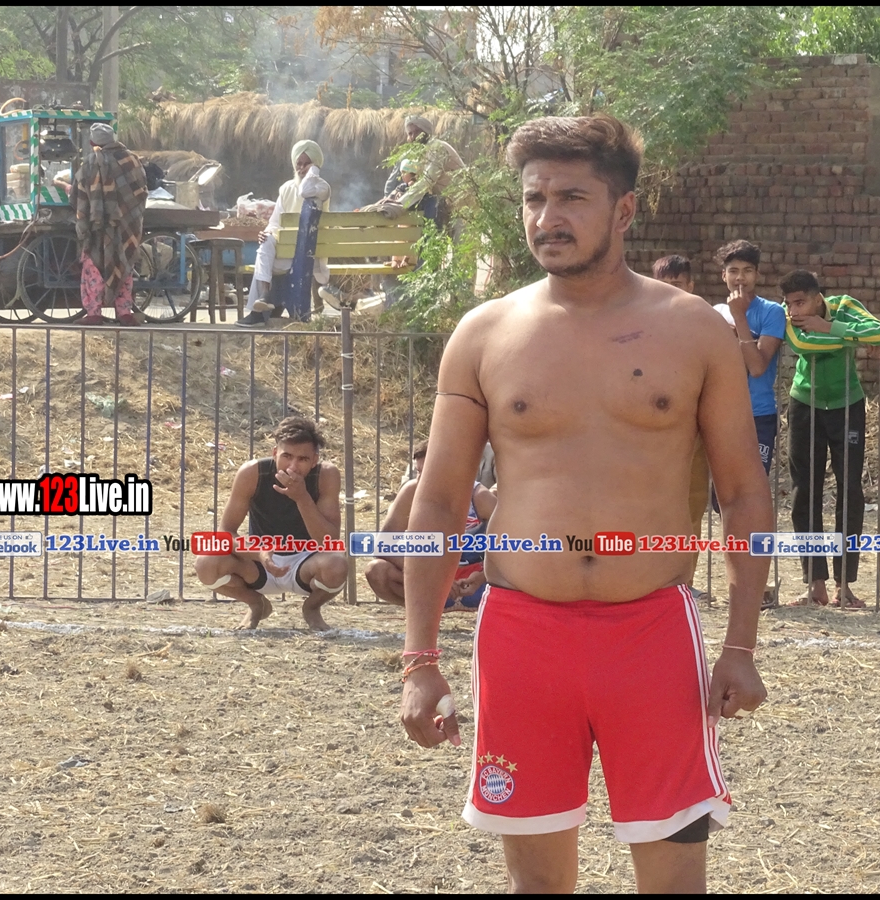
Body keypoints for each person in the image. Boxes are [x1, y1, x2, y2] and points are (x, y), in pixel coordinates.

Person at [399, 114, 772, 894]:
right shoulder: (483, 334)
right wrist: (420, 660)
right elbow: (437, 502)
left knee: (674, 883)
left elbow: (742, 492)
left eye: (571, 197)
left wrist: (741, 643)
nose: (548, 217)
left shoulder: (693, 331)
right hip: (522, 634)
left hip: (652, 634)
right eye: (534, 198)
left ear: (624, 209)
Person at [781, 270, 880, 609]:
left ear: (818, 299)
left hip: (847, 404)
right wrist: (851, 338)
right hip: (805, 404)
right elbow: (802, 344)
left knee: (850, 491)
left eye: (800, 303)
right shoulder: (788, 318)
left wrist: (830, 327)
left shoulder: (844, 306)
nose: (794, 311)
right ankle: (816, 584)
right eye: (789, 304)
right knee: (805, 492)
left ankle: (845, 585)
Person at [194, 416, 346, 631]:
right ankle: (256, 604)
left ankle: (311, 608)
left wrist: (302, 497)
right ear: (275, 453)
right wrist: (259, 553)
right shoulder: (252, 473)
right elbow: (226, 533)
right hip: (259, 563)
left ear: (314, 460)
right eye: (287, 456)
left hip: (307, 562)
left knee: (337, 564)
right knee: (206, 563)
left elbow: (329, 541)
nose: (293, 466)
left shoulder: (326, 475)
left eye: (303, 459)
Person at [710, 240, 787, 608]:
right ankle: (736, 577)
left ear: (757, 275)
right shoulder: (712, 313)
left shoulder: (771, 312)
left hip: (758, 415)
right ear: (723, 276)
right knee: (720, 499)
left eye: (747, 271)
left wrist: (740, 318)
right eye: (733, 271)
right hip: (719, 412)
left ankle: (756, 583)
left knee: (751, 499)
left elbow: (757, 366)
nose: (740, 278)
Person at [364, 441, 497, 612]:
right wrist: (427, 575)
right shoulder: (411, 491)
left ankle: (487, 611)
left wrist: (482, 576)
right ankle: (423, 612)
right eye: (418, 472)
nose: (421, 480)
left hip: (475, 584)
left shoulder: (479, 496)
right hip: (429, 583)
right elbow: (383, 545)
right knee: (377, 571)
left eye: (427, 473)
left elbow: (514, 545)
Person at [650, 254, 712, 600]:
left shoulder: (705, 327)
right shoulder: (634, 326)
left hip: (692, 431)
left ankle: (682, 581)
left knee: (692, 505)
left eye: (678, 285)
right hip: (645, 435)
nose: (671, 292)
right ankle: (647, 579)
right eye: (664, 285)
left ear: (691, 286)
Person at [237, 140, 332, 327]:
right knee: (265, 246)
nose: (301, 168)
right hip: (285, 253)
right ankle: (264, 297)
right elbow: (274, 222)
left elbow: (306, 190)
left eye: (307, 164)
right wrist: (265, 233)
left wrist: (312, 173)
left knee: (266, 261)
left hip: (309, 255)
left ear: (316, 165)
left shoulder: (321, 187)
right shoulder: (287, 188)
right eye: (299, 164)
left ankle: (259, 314)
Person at [71, 123, 148, 327]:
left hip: (98, 226)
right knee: (124, 262)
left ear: (91, 142)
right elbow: (140, 191)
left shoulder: (90, 163)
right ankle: (124, 313)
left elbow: (78, 194)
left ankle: (94, 313)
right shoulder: (132, 160)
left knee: (94, 267)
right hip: (127, 225)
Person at [382, 114, 464, 228]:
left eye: (417, 132)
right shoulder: (422, 153)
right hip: (447, 205)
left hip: (462, 204)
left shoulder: (437, 148)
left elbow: (427, 181)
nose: (413, 136)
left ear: (426, 132)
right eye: (410, 133)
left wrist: (400, 203)